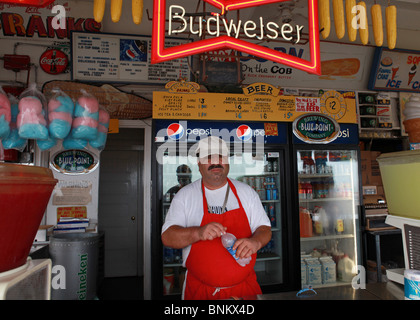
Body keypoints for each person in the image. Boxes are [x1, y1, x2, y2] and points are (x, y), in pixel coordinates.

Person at [161, 136, 272, 300]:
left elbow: (264, 229)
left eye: (221, 157)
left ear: (228, 162)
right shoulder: (185, 196)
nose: (216, 162)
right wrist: (198, 233)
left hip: (243, 290)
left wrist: (256, 242)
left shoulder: (246, 192)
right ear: (199, 164)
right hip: (200, 292)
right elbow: (167, 237)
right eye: (208, 157)